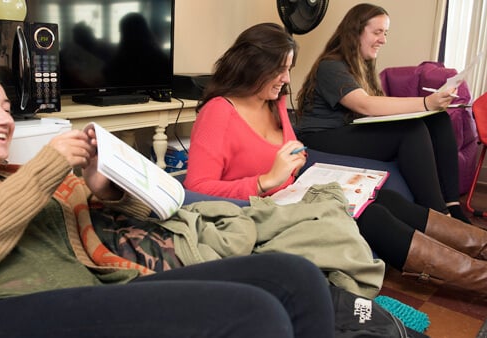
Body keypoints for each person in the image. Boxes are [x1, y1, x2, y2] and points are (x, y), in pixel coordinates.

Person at [0, 56, 335, 337]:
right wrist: (44, 171)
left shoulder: (26, 178)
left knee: (293, 276)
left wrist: (109, 188)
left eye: (6, 107)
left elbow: (156, 211)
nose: (4, 119)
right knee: (253, 313)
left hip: (89, 295)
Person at [184, 22, 487, 295]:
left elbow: (292, 151)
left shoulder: (273, 102)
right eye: (280, 70)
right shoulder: (219, 112)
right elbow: (196, 189)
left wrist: (300, 165)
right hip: (262, 210)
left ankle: (482, 247)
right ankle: (481, 279)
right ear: (253, 66)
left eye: (289, 68)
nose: (286, 79)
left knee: (383, 199)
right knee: (371, 215)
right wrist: (264, 182)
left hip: (297, 195)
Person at [294, 3, 470, 224]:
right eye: (377, 32)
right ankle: (439, 216)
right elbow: (365, 105)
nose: (383, 40)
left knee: (438, 119)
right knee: (411, 131)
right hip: (322, 135)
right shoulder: (331, 66)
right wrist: (425, 102)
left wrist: (429, 108)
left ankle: (452, 205)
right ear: (354, 32)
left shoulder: (362, 66)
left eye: (385, 33)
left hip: (349, 127)